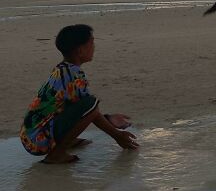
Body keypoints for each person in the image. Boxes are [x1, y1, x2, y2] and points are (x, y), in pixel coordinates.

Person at [19, 24, 138, 164]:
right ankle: (57, 153)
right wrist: (117, 135)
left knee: (88, 104)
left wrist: (108, 118)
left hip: (30, 135)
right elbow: (89, 110)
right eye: (91, 43)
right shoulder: (73, 76)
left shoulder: (62, 69)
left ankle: (67, 141)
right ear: (80, 51)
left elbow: (80, 109)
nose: (94, 47)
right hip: (38, 141)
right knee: (91, 103)